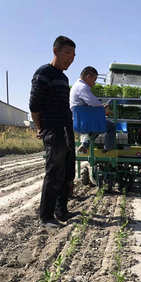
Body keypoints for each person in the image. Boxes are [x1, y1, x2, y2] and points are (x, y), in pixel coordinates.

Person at [29, 36, 76, 228]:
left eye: (73, 55)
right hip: (53, 129)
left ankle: (61, 210)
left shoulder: (63, 78)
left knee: (67, 171)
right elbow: (34, 105)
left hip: (66, 128)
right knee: (54, 172)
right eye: (67, 53)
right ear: (55, 51)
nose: (71, 58)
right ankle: (46, 216)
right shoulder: (43, 73)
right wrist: (41, 128)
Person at [70, 66, 116, 153]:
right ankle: (108, 149)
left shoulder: (77, 85)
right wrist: (104, 108)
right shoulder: (83, 87)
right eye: (94, 79)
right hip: (85, 119)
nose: (94, 83)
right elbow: (93, 102)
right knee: (111, 126)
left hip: (81, 118)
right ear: (88, 77)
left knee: (99, 123)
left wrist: (100, 106)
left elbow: (90, 102)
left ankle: (85, 144)